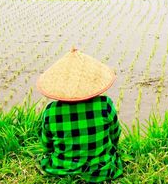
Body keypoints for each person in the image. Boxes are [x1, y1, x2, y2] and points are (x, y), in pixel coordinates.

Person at [38, 47, 123, 183]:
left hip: (61, 169)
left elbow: (47, 145)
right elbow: (114, 135)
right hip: (102, 171)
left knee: (45, 159)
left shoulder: (51, 111)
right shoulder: (104, 105)